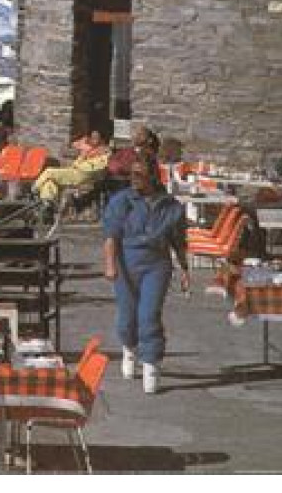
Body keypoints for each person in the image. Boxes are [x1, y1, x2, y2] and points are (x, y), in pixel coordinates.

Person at [102, 158, 190, 394]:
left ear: (153, 176)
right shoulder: (122, 201)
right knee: (127, 316)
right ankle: (129, 347)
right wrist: (110, 266)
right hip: (126, 262)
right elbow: (111, 237)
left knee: (149, 315)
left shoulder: (171, 206)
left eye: (140, 175)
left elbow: (179, 242)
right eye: (132, 175)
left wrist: (184, 269)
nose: (134, 180)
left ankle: (151, 364)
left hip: (156, 264)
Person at [33, 130, 111, 210]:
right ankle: (48, 204)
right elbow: (73, 152)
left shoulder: (105, 152)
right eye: (92, 137)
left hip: (81, 175)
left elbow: (90, 168)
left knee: (49, 171)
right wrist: (82, 156)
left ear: (102, 139)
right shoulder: (89, 149)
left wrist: (81, 160)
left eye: (96, 137)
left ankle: (34, 190)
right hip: (76, 172)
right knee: (49, 182)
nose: (93, 139)